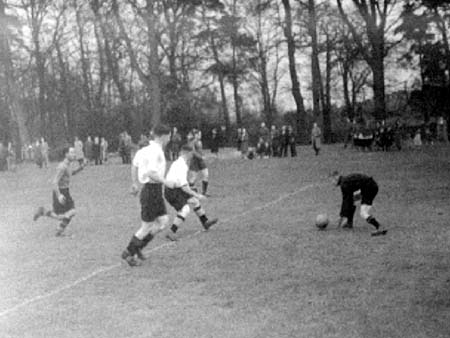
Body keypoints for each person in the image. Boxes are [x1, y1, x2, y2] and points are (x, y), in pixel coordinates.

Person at [121, 124, 175, 267]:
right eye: (169, 136)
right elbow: (151, 173)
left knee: (163, 221)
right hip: (151, 191)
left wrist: (134, 183)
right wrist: (166, 182)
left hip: (154, 191)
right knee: (146, 226)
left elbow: (134, 164)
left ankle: (138, 247)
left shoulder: (144, 150)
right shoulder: (155, 151)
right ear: (163, 136)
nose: (170, 138)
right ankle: (128, 252)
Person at [164, 144, 218, 241]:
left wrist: (194, 193)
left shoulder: (180, 162)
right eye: (192, 154)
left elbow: (183, 184)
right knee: (185, 209)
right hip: (171, 191)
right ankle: (171, 232)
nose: (192, 156)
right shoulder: (182, 165)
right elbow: (184, 188)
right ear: (188, 154)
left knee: (195, 201)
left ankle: (205, 222)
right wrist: (198, 195)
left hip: (176, 188)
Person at [33, 147, 85, 236]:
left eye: (74, 153)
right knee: (68, 213)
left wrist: (81, 167)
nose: (74, 154)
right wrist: (59, 195)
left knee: (66, 214)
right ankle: (58, 230)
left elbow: (71, 173)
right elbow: (54, 182)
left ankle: (45, 214)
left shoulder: (68, 165)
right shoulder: (62, 166)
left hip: (65, 191)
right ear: (66, 154)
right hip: (60, 192)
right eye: (72, 153)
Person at [331, 171, 387, 236]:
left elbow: (346, 202)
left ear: (336, 177)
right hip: (372, 186)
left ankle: (379, 226)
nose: (332, 183)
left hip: (369, 188)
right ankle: (349, 223)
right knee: (357, 207)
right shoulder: (347, 181)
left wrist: (342, 216)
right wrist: (348, 220)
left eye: (332, 180)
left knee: (363, 213)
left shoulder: (344, 184)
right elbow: (353, 202)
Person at [188, 130, 210, 195]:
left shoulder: (200, 142)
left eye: (200, 134)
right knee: (193, 178)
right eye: (199, 134)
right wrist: (201, 157)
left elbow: (200, 150)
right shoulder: (192, 142)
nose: (200, 136)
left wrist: (203, 155)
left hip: (201, 161)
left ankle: (204, 192)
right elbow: (193, 152)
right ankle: (190, 193)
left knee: (206, 174)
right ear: (196, 135)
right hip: (194, 161)